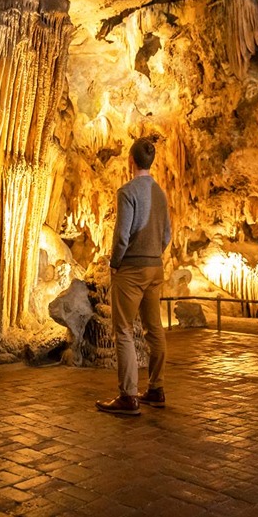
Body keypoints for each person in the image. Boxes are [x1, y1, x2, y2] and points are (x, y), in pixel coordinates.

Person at [96, 137, 172, 416]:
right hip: (156, 268)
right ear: (150, 162)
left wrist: (116, 263)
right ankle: (156, 388)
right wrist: (155, 254)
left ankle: (128, 396)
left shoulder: (127, 191)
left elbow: (122, 235)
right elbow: (167, 236)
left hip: (131, 269)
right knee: (154, 329)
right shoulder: (161, 193)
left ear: (131, 161)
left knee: (124, 329)